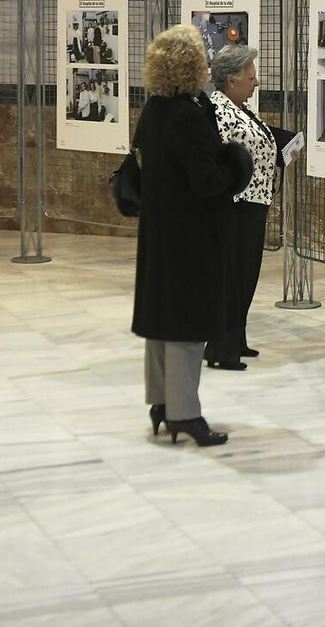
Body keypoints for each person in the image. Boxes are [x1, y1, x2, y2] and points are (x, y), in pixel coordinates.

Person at [133, 25, 253, 448]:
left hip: (160, 233)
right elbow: (205, 181)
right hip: (190, 236)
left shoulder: (154, 109)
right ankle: (186, 413)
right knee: (186, 326)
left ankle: (162, 404)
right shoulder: (186, 114)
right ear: (189, 65)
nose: (207, 61)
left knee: (161, 321)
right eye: (201, 56)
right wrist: (235, 167)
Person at [207, 45, 292, 371]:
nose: (256, 82)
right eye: (251, 77)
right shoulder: (218, 110)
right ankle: (221, 347)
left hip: (253, 203)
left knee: (246, 277)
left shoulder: (240, 107)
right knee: (233, 278)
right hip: (235, 206)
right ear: (231, 79)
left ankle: (236, 340)